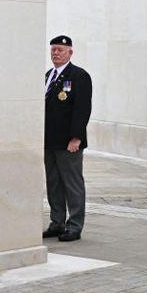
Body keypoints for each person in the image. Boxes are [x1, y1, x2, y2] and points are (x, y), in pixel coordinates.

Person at [42, 35, 92, 242]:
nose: (55, 53)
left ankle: (74, 226)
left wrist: (76, 138)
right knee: (53, 184)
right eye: (53, 49)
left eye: (60, 50)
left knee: (72, 184)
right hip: (49, 141)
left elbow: (82, 109)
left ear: (70, 52)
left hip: (68, 142)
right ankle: (57, 222)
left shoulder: (79, 76)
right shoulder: (48, 76)